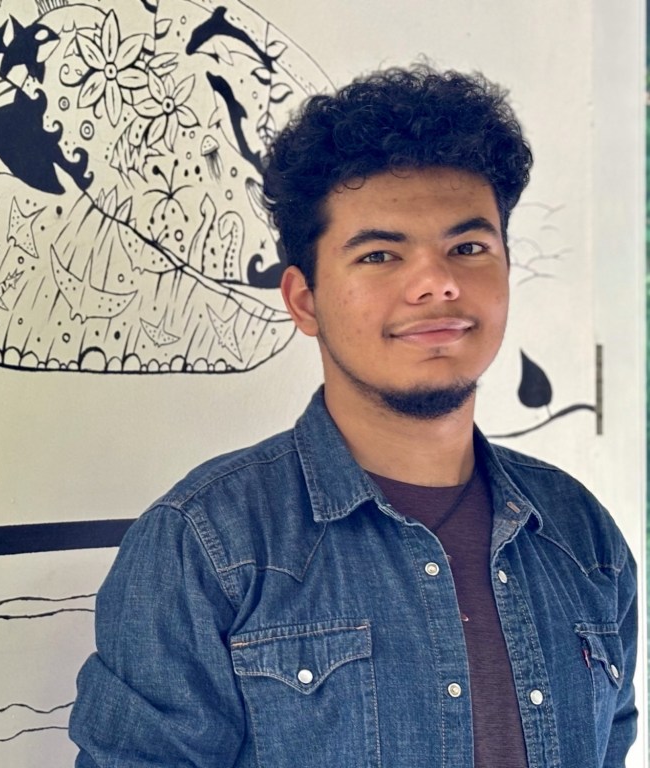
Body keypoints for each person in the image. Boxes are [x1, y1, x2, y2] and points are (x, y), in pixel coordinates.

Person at [69, 65, 638, 767]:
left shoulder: (581, 534)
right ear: (304, 301)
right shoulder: (208, 544)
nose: (438, 282)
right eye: (379, 254)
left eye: (468, 248)